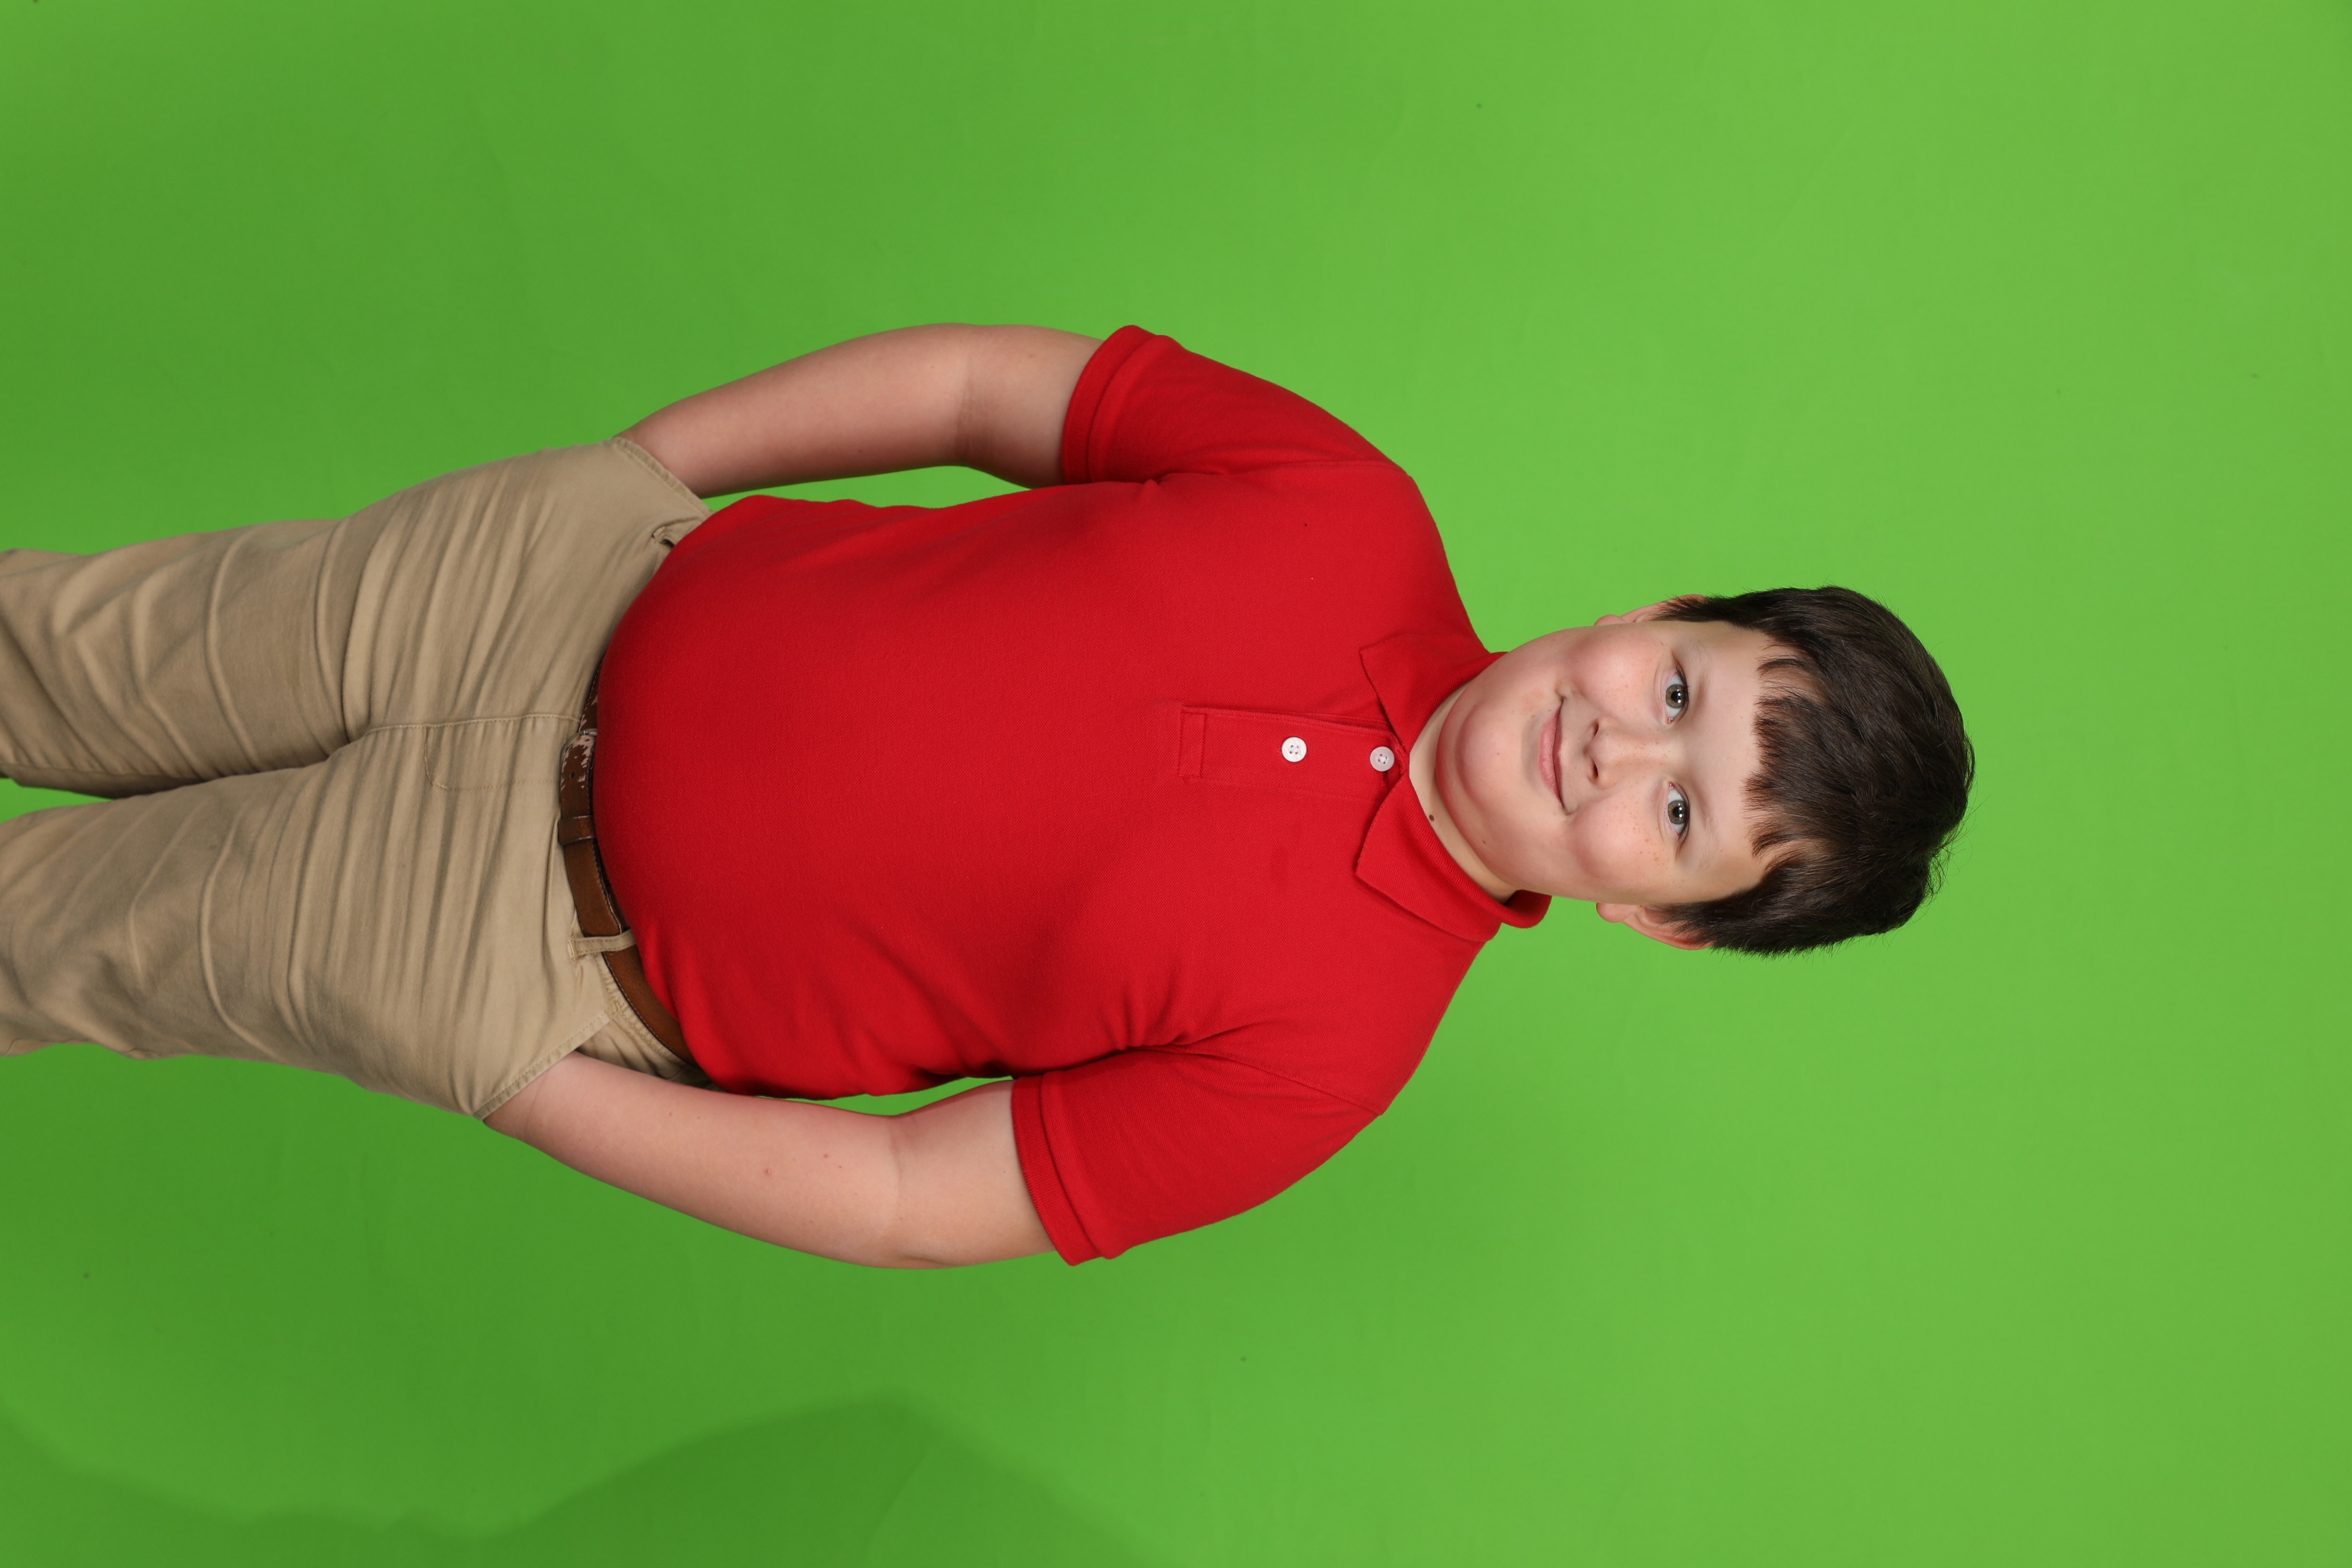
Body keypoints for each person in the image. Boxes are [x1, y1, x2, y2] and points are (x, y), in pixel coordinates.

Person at [0, 325, 1971, 1269]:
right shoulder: (1345, 506)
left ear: (1658, 916)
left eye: (1682, 817)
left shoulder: (1331, 1057)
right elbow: (976, 394)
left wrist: (525, 1072)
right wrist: (645, 472)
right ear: (1650, 614)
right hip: (547, 587)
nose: (1620, 749)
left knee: (41, 938)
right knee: (66, 638)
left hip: (512, 941)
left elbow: (908, 1197)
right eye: (1680, 690)